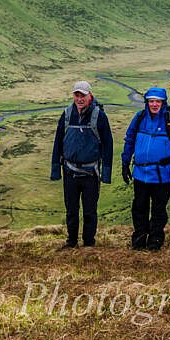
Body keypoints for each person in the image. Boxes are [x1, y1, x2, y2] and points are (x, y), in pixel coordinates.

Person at [121, 87, 170, 251]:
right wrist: (125, 162)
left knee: (159, 210)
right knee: (139, 208)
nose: (154, 104)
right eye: (151, 101)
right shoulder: (139, 117)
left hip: (161, 176)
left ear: (163, 103)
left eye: (157, 101)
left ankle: (155, 242)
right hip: (140, 174)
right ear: (147, 102)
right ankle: (139, 240)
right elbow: (129, 139)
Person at [50, 80, 113, 248]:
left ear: (89, 96)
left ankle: (88, 243)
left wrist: (106, 173)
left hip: (91, 173)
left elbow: (108, 144)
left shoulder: (99, 116)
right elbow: (58, 141)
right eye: (76, 95)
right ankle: (71, 242)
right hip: (69, 171)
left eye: (83, 95)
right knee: (71, 210)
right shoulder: (67, 114)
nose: (79, 99)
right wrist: (56, 169)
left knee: (89, 211)